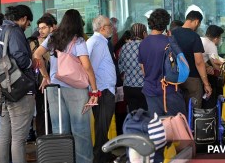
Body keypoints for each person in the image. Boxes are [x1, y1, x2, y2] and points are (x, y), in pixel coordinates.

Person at [34, 9, 98, 163]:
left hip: (54, 88)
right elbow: (87, 66)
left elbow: (36, 54)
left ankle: (63, 160)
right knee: (80, 130)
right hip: (75, 89)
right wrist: (94, 89)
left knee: (59, 129)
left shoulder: (52, 37)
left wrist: (45, 76)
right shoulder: (78, 41)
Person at [0, 5, 36, 163]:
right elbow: (20, 58)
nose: (27, 27)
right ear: (23, 19)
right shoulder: (15, 31)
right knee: (19, 138)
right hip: (18, 90)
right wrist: (31, 62)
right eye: (28, 23)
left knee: (4, 134)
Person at [138, 9, 186, 163]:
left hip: (150, 91)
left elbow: (143, 69)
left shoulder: (143, 43)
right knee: (178, 128)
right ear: (165, 24)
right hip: (169, 91)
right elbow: (178, 67)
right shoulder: (168, 42)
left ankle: (159, 159)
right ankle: (179, 158)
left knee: (157, 130)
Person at [86, 15, 117, 163]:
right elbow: (92, 67)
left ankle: (104, 153)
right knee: (102, 126)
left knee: (102, 125)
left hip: (102, 89)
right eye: (110, 25)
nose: (112, 28)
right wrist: (95, 90)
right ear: (102, 28)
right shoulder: (98, 42)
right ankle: (99, 157)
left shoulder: (98, 41)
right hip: (102, 90)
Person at [172, 8, 212, 109]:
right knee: (194, 109)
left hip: (175, 78)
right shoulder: (194, 36)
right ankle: (192, 125)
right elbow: (199, 62)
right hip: (192, 78)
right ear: (196, 22)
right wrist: (206, 83)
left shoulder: (172, 34)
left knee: (178, 109)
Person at [119, 23, 148, 112]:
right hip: (144, 87)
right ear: (144, 33)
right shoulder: (146, 46)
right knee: (145, 115)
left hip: (128, 87)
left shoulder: (124, 47)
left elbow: (121, 68)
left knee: (133, 114)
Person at [200, 25, 224, 109]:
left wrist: (207, 66)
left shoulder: (200, 39)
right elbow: (216, 65)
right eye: (220, 37)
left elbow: (201, 58)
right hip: (203, 76)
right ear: (216, 38)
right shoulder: (211, 45)